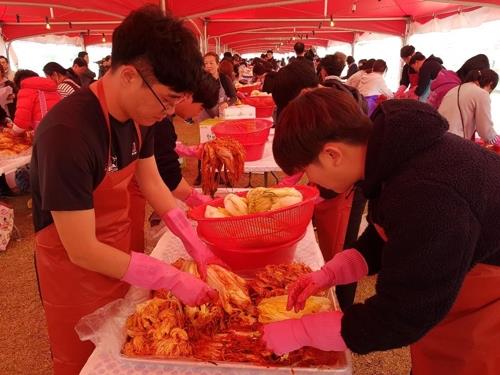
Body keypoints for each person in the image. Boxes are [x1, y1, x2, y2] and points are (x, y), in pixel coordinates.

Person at [31, 6, 222, 374]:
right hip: (75, 275)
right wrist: (167, 276)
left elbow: (151, 182)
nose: (169, 112)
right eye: (166, 99)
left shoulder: (141, 116)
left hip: (121, 257)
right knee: (83, 364)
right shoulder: (68, 134)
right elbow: (82, 249)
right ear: (130, 76)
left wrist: (192, 238)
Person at [263, 88, 500, 374]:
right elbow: (395, 233)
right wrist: (333, 272)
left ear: (332, 154)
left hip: (487, 302)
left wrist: (302, 331)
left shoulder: (429, 194)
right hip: (457, 287)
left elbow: (401, 316)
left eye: (306, 171)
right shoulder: (392, 153)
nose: (310, 183)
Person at [273, 63, 367, 310]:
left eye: (307, 170)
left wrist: (340, 326)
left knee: (341, 246)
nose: (307, 177)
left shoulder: (408, 188)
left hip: (345, 195)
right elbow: (373, 247)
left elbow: (409, 306)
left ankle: (342, 304)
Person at [439, 68, 499, 144]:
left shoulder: (457, 88)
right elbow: (485, 131)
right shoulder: (482, 94)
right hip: (454, 141)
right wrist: (494, 139)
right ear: (491, 83)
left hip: (439, 135)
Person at [9, 69, 61, 134]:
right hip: (61, 128)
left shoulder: (26, 90)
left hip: (44, 131)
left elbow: (21, 122)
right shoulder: (52, 89)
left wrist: (14, 131)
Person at [203, 52, 237, 117]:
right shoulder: (201, 80)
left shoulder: (224, 79)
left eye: (211, 63)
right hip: (206, 116)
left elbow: (234, 97)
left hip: (222, 114)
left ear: (218, 64)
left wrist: (227, 103)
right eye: (206, 63)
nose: (208, 66)